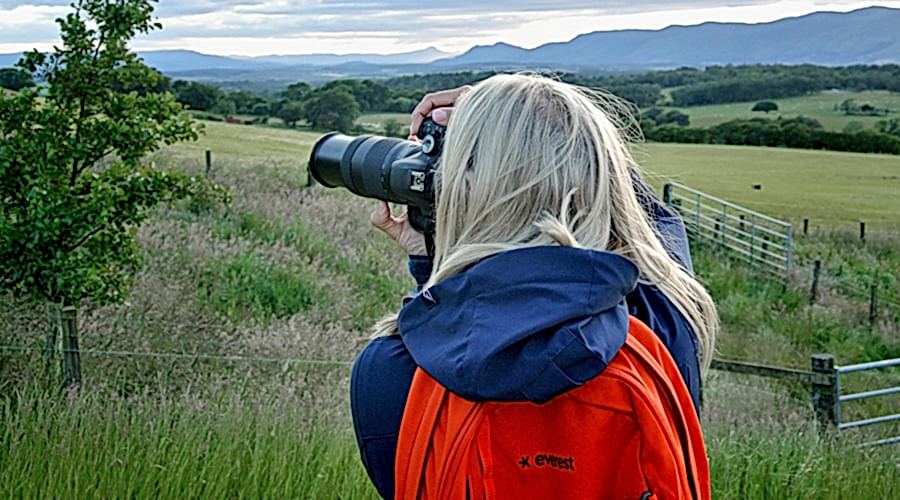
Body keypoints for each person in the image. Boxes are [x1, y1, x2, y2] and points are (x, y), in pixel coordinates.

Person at [352, 74, 719, 499]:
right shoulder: (668, 327)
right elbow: (653, 225)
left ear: (455, 195)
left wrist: (433, 261)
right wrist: (544, 120)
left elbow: (463, 343)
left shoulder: (390, 370)